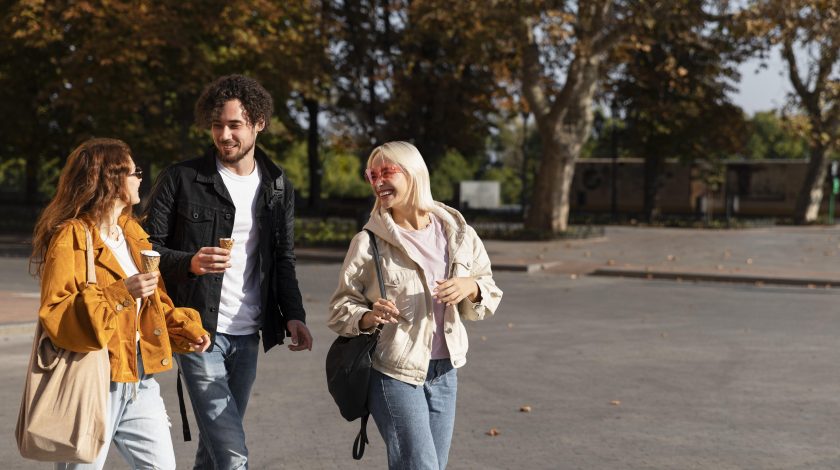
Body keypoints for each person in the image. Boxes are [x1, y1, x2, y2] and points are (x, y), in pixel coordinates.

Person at [142, 74, 313, 469]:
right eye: (217, 125)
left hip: (248, 332)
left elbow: (282, 257)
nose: (224, 135)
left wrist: (294, 315)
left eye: (235, 125)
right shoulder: (182, 178)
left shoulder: (277, 185)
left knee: (215, 445)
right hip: (196, 329)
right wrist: (190, 262)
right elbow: (145, 249)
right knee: (233, 452)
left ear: (258, 124)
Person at [31, 137, 211, 470]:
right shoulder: (72, 237)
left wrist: (186, 330)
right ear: (111, 180)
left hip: (140, 379)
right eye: (133, 171)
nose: (140, 177)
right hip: (93, 380)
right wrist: (119, 292)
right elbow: (56, 313)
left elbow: (156, 300)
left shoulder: (132, 232)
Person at [328, 141, 503, 469]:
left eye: (387, 172)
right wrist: (368, 316)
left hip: (445, 371)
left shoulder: (457, 233)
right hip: (393, 371)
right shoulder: (368, 242)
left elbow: (489, 291)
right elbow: (340, 308)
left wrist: (470, 286)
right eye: (372, 174)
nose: (378, 181)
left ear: (413, 173)